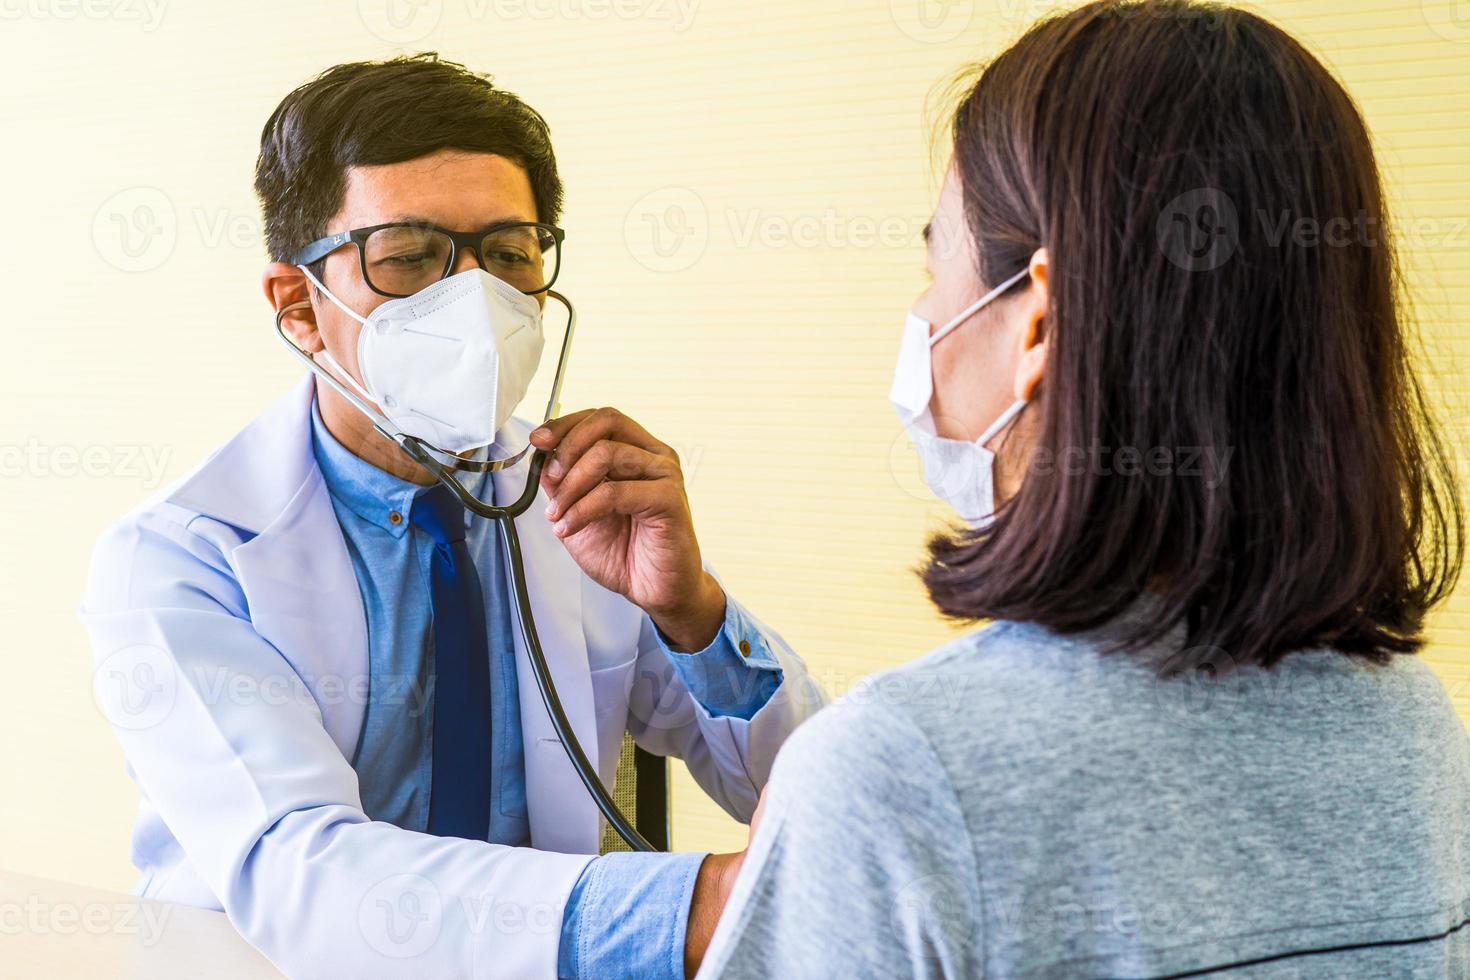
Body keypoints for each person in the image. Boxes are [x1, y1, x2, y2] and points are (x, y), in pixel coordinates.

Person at [698, 2, 1470, 977]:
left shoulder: (898, 776)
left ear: (1037, 323)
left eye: (931, 259)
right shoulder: (1412, 732)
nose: (921, 314)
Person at [80, 54, 824, 980]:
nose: (476, 299)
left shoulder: (577, 500)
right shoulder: (181, 559)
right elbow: (299, 872)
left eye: (510, 254)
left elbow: (811, 797)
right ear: (298, 307)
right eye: (407, 256)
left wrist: (691, 612)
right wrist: (696, 908)